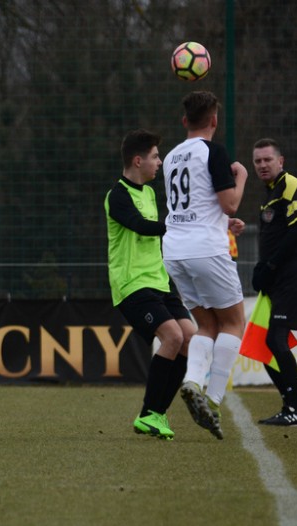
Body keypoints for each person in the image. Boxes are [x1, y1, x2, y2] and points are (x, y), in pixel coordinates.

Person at [162, 91, 248, 440]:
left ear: (185, 121)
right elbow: (230, 203)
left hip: (175, 250)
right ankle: (212, 399)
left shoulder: (170, 156)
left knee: (207, 324)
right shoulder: (214, 152)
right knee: (234, 322)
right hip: (206, 250)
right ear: (214, 120)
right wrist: (241, 177)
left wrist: (221, 223)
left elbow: (192, 204)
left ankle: (193, 381)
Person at [105, 129, 197, 441]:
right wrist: (180, 227)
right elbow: (140, 226)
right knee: (172, 336)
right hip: (132, 284)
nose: (159, 162)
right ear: (137, 160)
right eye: (155, 156)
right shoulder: (117, 195)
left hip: (159, 281)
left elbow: (158, 234)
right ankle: (148, 413)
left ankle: (156, 413)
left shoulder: (149, 193)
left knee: (190, 339)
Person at [250, 138, 297, 427]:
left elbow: (296, 234)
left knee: (275, 340)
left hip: (291, 275)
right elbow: (272, 238)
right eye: (258, 161)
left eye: (267, 160)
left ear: (280, 161)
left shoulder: (290, 185)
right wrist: (261, 267)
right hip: (276, 279)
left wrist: (271, 265)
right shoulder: (269, 193)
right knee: (265, 345)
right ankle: (291, 407)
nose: (262, 165)